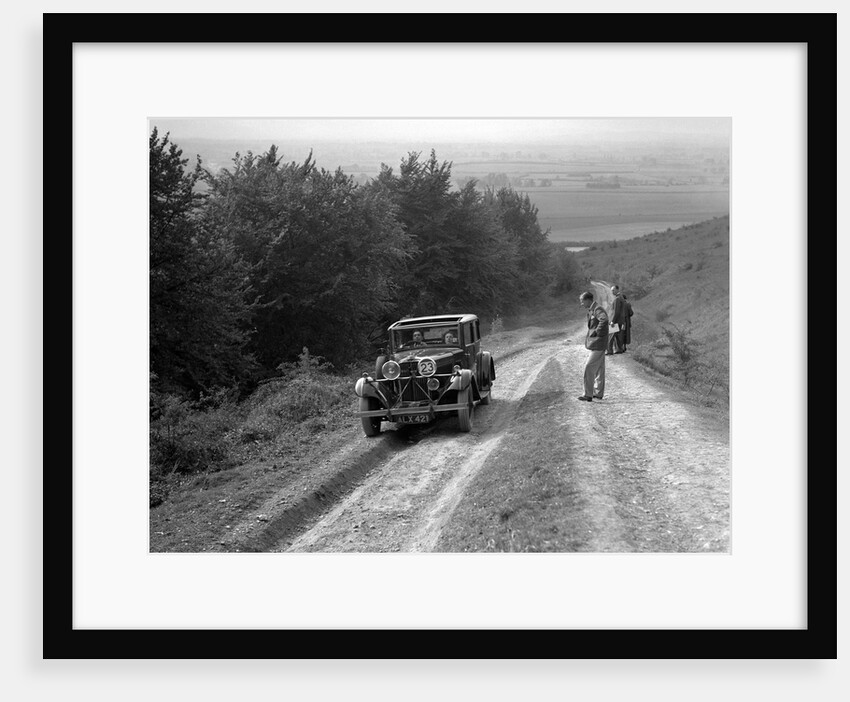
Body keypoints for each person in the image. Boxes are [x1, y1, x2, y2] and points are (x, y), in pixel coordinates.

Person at [578, 291, 608, 401]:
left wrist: (597, 332)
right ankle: (598, 393)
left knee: (589, 367)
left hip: (599, 343)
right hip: (599, 343)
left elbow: (604, 319)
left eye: (582, 301)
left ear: (587, 300)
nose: (581, 304)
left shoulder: (597, 309)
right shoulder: (593, 309)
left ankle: (588, 394)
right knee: (600, 369)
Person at [607, 284, 633, 354]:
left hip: (616, 321)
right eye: (611, 291)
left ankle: (609, 351)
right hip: (621, 321)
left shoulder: (617, 299)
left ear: (617, 290)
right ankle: (619, 350)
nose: (612, 292)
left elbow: (616, 311)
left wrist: (612, 321)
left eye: (613, 290)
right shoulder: (622, 298)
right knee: (619, 336)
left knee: (610, 336)